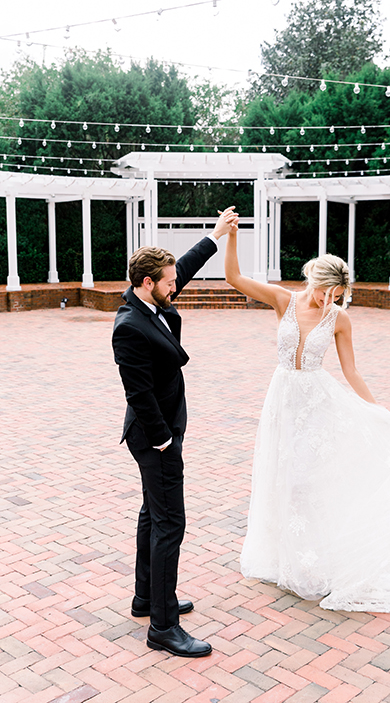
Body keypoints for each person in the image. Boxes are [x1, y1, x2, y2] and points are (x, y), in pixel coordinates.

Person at [225, 221, 390, 614]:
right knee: (282, 477)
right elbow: (234, 277)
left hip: (316, 403)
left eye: (340, 296)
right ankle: (286, 559)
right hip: (282, 401)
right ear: (315, 281)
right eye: (330, 294)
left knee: (307, 482)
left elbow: (351, 371)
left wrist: (378, 412)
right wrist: (234, 236)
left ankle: (317, 563)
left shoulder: (340, 319)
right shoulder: (282, 300)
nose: (333, 302)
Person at [112, 206, 238, 657]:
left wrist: (216, 235)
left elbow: (179, 267)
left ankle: (147, 598)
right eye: (168, 283)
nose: (175, 285)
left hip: (161, 431)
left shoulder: (151, 297)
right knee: (170, 524)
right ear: (148, 283)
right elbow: (138, 393)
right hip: (155, 436)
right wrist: (165, 438)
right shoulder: (129, 327)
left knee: (152, 513)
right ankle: (163, 628)